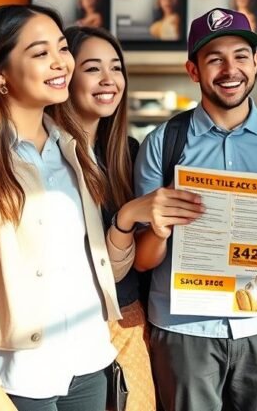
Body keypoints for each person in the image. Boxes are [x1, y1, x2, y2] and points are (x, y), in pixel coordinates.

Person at [0, 5, 136, 411]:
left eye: (62, 48)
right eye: (40, 53)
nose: (60, 62)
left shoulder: (72, 145)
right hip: (14, 374)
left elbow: (92, 264)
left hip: (88, 361)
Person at [134, 7, 257, 411]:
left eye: (240, 56)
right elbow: (143, 260)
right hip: (184, 329)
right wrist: (160, 230)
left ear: (256, 62)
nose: (230, 69)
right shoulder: (163, 144)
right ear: (193, 70)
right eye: (214, 59)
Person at [64, 25, 157, 411]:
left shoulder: (128, 152)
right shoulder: (45, 154)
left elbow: (143, 259)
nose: (108, 79)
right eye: (92, 68)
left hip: (127, 319)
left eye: (116, 68)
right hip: (69, 323)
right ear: (64, 76)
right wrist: (127, 217)